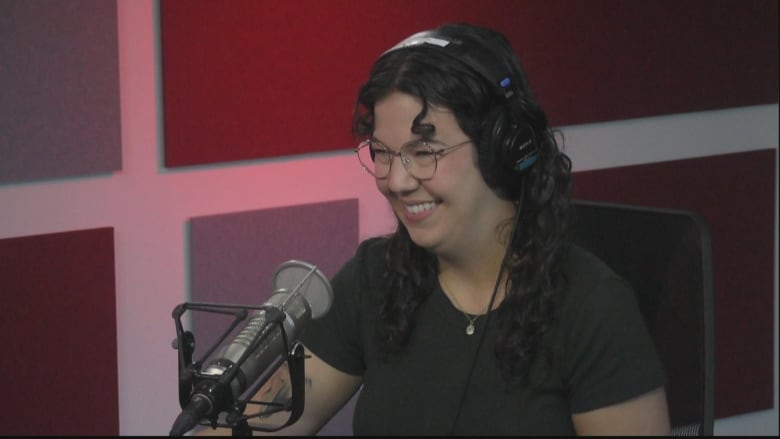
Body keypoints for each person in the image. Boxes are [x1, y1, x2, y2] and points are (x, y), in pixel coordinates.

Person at [199, 22, 670, 436]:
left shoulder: (592, 307)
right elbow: (269, 423)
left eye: (425, 152)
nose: (397, 181)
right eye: (382, 152)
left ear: (503, 148)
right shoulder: (375, 277)